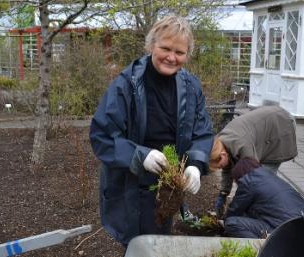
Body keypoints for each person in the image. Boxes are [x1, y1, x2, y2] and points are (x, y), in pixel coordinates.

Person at [89, 15, 213, 246]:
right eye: (165, 48)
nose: (171, 57)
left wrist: (195, 164)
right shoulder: (126, 85)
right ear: (151, 46)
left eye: (179, 52)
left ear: (188, 54)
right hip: (130, 185)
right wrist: (140, 155)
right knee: (136, 244)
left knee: (160, 240)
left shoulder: (191, 87)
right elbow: (102, 135)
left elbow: (202, 131)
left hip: (167, 185)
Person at [209, 105, 297, 218]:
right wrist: (223, 193)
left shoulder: (244, 148)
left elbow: (251, 182)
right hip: (267, 124)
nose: (220, 169)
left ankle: (270, 215)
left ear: (223, 155)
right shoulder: (221, 142)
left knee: (264, 180)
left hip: (280, 125)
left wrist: (234, 211)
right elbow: (227, 169)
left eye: (218, 166)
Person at [223, 157, 304, 238]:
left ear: (239, 175)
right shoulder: (269, 176)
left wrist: (223, 222)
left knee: (231, 223)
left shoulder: (248, 182)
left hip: (285, 230)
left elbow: (234, 211)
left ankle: (261, 249)